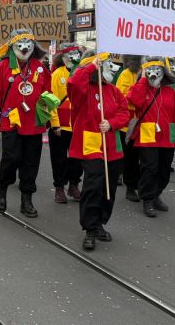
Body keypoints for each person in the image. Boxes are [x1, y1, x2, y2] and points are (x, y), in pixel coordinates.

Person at [0, 30, 51, 217]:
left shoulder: (40, 67)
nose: (24, 47)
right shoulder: (3, 67)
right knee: (10, 159)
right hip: (10, 121)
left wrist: (49, 115)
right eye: (20, 43)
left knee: (31, 163)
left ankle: (26, 198)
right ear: (12, 46)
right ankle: (2, 187)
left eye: (28, 43)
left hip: (34, 124)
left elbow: (48, 94)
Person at [67, 53, 130, 250]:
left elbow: (124, 113)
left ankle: (100, 222)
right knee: (93, 184)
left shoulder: (113, 91)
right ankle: (89, 228)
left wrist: (111, 123)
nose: (111, 68)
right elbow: (74, 82)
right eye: (106, 65)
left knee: (108, 186)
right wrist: (91, 65)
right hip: (91, 145)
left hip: (112, 145)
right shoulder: (83, 90)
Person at [126, 56, 175, 218]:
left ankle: (156, 194)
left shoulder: (171, 92)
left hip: (167, 136)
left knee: (164, 170)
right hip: (147, 136)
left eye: (157, 70)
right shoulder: (141, 89)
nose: (154, 74)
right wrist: (141, 80)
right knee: (150, 168)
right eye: (150, 71)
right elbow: (133, 100)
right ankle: (147, 198)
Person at [48, 42, 84, 204]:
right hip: (61, 125)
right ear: (63, 58)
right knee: (59, 158)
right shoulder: (57, 75)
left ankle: (74, 184)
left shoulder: (83, 74)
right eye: (71, 55)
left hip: (79, 124)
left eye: (77, 54)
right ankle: (59, 187)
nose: (74, 58)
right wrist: (54, 123)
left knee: (78, 158)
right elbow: (51, 100)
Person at [115, 55, 143, 202]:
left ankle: (141, 184)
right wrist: (139, 85)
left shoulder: (145, 72)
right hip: (129, 123)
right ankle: (131, 186)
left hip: (144, 122)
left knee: (143, 157)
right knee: (130, 156)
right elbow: (124, 98)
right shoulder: (126, 75)